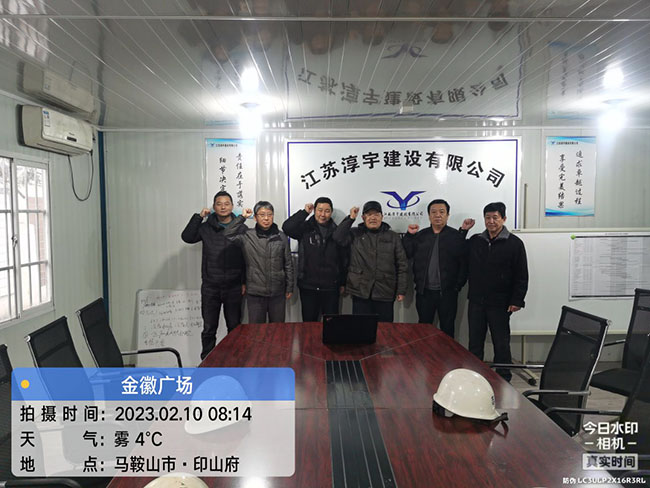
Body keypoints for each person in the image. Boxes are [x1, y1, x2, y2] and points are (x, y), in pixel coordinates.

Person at [467, 202, 528, 382]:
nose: (491, 221)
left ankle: (503, 377)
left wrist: (517, 299)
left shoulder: (514, 243)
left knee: (501, 342)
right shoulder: (476, 241)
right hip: (477, 300)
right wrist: (463, 231)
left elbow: (521, 274)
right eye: (488, 217)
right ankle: (475, 376)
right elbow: (460, 256)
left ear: (504, 219)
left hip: (501, 302)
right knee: (475, 342)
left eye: (495, 217)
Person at [181, 191, 246, 360]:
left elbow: (247, 257)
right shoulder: (206, 227)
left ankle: (235, 361)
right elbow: (187, 237)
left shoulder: (241, 227)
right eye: (219, 204)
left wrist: (244, 282)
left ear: (232, 206)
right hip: (211, 286)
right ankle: (207, 361)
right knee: (209, 328)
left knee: (235, 327)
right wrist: (198, 217)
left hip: (234, 286)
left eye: (226, 203)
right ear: (214, 207)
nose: (223, 207)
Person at [402, 199, 474, 338]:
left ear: (447, 215)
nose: (438, 215)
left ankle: (448, 353)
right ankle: (424, 353)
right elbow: (408, 252)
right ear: (429, 216)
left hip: (448, 293)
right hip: (424, 293)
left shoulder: (455, 236)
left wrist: (457, 286)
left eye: (442, 212)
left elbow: (463, 264)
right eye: (433, 212)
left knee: (447, 329)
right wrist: (409, 236)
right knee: (423, 329)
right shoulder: (421, 236)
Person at [332, 201, 408, 322]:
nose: (373, 218)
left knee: (385, 329)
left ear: (382, 217)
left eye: (376, 214)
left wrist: (401, 290)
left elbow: (402, 264)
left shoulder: (393, 236)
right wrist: (350, 218)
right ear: (363, 217)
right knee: (361, 328)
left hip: (385, 291)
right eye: (369, 214)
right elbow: (337, 237)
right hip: (360, 291)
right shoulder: (355, 233)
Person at [224, 201, 294, 323]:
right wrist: (242, 217)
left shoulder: (281, 236)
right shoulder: (247, 235)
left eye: (269, 214)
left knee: (277, 329)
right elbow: (227, 234)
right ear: (255, 218)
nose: (266, 218)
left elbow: (288, 263)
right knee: (256, 330)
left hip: (277, 292)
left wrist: (289, 287)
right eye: (262, 215)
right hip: (255, 293)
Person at [282, 197, 348, 321]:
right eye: (320, 210)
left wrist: (342, 282)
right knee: (309, 324)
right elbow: (287, 227)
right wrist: (304, 212)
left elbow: (343, 259)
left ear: (331, 212)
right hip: (308, 286)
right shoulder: (305, 228)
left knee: (331, 324)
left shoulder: (337, 231)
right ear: (314, 211)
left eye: (327, 211)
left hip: (330, 287)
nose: (323, 214)